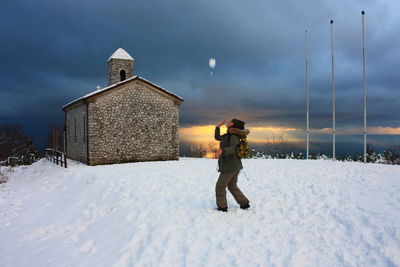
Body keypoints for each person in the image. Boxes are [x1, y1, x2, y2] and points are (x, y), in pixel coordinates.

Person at [214, 119, 250, 212]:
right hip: (234, 165)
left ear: (233, 124)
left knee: (220, 187)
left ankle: (222, 207)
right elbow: (217, 137)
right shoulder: (229, 134)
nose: (228, 122)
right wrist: (218, 126)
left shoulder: (233, 135)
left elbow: (234, 147)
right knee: (232, 185)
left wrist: (223, 151)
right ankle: (244, 203)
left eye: (230, 121)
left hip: (230, 165)